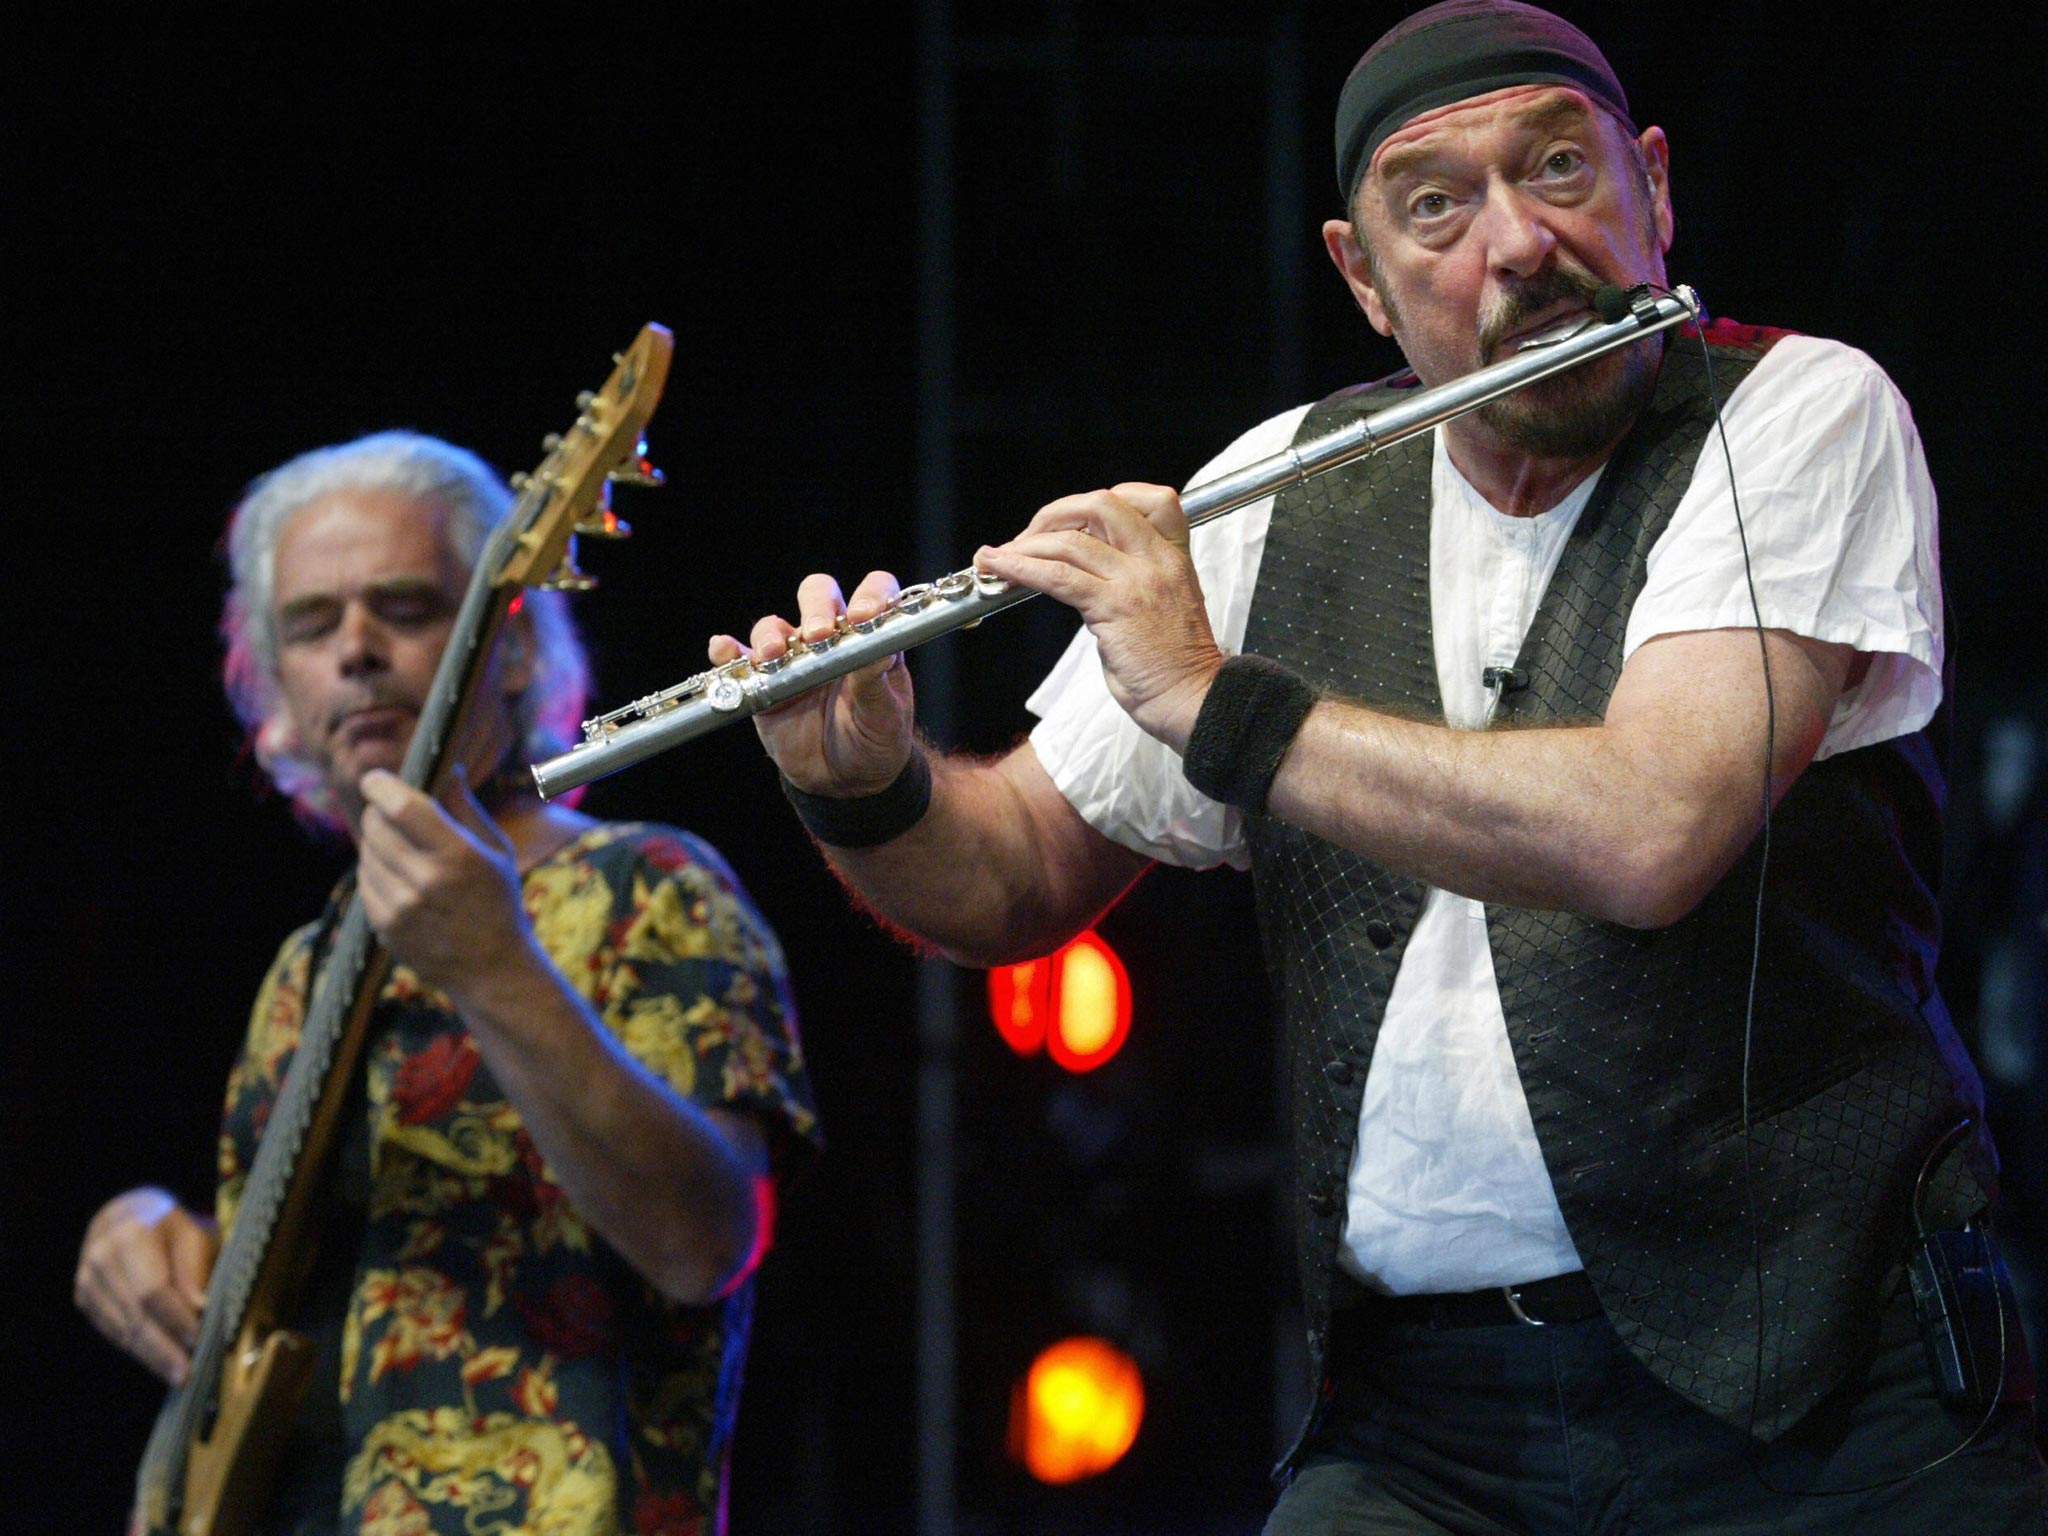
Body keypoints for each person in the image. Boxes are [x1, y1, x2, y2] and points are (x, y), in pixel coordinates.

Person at [714, 2, 2044, 1530]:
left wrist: (1223, 705)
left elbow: (1651, 828)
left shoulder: (1799, 416)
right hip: (1427, 1428)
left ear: (1653, 191)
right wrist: (861, 783)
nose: (1522, 244)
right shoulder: (1282, 496)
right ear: (1361, 272)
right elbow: (1008, 877)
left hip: (1825, 1402)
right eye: (1440, 207)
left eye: (1560, 171)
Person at [75, 432, 819, 1535]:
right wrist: (146, 1229)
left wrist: (496, 967)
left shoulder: (648, 889)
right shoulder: (304, 967)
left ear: (511, 645)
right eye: (312, 625)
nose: (358, 652)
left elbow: (706, 1242)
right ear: (274, 680)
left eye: (406, 607)